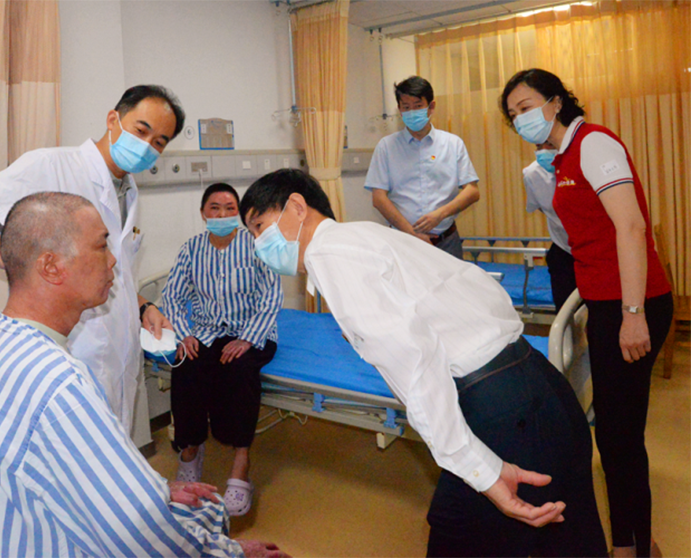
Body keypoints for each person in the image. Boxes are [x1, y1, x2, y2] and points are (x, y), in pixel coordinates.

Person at [240, 169, 607, 558]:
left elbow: (416, 362)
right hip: (542, 384)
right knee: (571, 540)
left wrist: (479, 468)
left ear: (297, 207)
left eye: (259, 227)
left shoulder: (329, 254)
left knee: (456, 535)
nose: (258, 244)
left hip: (503, 412)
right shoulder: (364, 234)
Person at [0, 191, 291, 558]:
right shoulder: (60, 386)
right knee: (209, 513)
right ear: (50, 267)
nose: (114, 260)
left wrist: (158, 490)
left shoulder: (3, 339)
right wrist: (235, 553)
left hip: (13, 536)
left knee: (191, 503)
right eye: (101, 246)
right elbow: (144, 536)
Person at [501, 68, 673, 558]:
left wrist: (632, 314)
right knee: (616, 436)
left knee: (620, 438)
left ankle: (632, 548)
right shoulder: (561, 158)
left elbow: (631, 228)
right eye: (513, 114)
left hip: (630, 304)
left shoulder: (593, 144)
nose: (521, 118)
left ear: (556, 102)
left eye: (527, 106)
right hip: (605, 303)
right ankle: (634, 541)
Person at [0, 85, 180, 435]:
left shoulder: (129, 191)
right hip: (70, 357)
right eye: (141, 130)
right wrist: (37, 269)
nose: (146, 146)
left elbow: (114, 272)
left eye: (159, 142)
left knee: (107, 454)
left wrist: (143, 306)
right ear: (113, 119)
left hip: (119, 361)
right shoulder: (50, 165)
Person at [162, 183, 283, 517]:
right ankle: (190, 450)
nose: (222, 214)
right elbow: (172, 295)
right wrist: (184, 334)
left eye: (230, 208)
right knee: (186, 365)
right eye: (214, 208)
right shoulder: (191, 249)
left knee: (240, 369)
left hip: (252, 330)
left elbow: (271, 295)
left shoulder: (256, 246)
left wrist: (248, 338)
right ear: (203, 213)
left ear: (239, 214)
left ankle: (241, 461)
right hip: (206, 331)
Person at [365, 76, 480, 259]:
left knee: (453, 279)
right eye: (406, 107)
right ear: (399, 109)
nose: (412, 112)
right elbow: (379, 198)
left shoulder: (452, 143)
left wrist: (439, 215)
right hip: (403, 240)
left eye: (418, 106)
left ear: (431, 107)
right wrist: (412, 233)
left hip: (446, 240)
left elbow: (472, 191)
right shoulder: (386, 147)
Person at [522, 140, 577, 311]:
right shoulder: (532, 174)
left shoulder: (582, 164)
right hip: (563, 250)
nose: (544, 151)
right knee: (565, 312)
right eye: (539, 147)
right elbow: (540, 206)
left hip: (594, 250)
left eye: (550, 145)